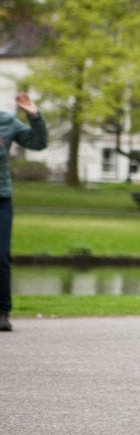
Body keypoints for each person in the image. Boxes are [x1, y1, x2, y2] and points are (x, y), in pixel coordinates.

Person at [0, 92, 48, 332]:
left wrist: (34, 116)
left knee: (1, 256)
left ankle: (2, 312)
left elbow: (38, 142)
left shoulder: (6, 121)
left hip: (1, 198)